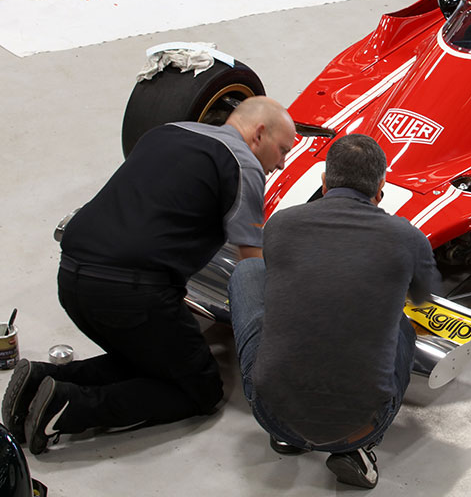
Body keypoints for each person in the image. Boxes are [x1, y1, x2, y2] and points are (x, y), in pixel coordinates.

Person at [1, 96, 295, 455]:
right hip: (134, 294)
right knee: (200, 389)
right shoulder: (242, 164)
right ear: (258, 134)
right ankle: (68, 408)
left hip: (72, 276)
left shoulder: (167, 131)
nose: (281, 163)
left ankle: (41, 381)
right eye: (282, 150)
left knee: (151, 361)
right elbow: (251, 263)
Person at [227, 133, 441, 489]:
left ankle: (288, 436)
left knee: (249, 270)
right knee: (402, 326)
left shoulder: (280, 224)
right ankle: (359, 448)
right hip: (363, 423)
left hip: (270, 413)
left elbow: (285, 286)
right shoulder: (407, 237)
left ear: (324, 182)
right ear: (381, 189)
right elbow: (425, 299)